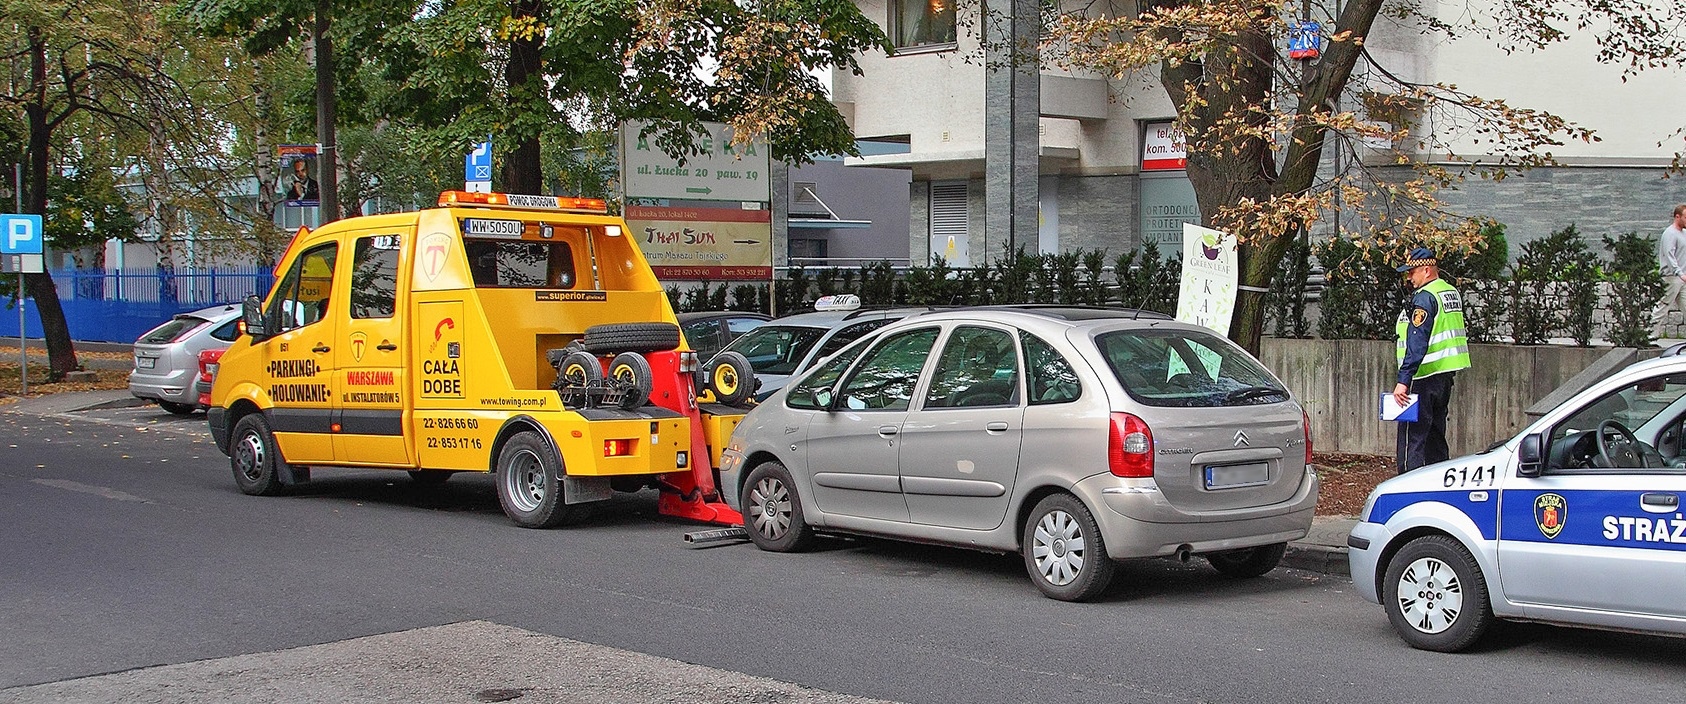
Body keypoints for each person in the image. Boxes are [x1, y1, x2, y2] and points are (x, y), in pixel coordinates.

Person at [1392, 247, 1470, 474]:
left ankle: (1406, 488)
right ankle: (1438, 483)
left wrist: (1403, 380)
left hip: (1421, 377)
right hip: (1443, 377)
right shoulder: (1449, 292)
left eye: (1412, 272)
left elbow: (1417, 341)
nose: (1409, 277)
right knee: (1436, 436)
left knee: (1411, 439)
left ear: (1426, 270)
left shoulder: (1425, 298)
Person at [1649, 204, 1686, 343]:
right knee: (1663, 305)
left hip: (1683, 278)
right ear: (1677, 217)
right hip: (1671, 277)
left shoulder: (1684, 233)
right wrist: (1678, 272)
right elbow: (1669, 255)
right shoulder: (1670, 233)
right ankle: (1650, 335)